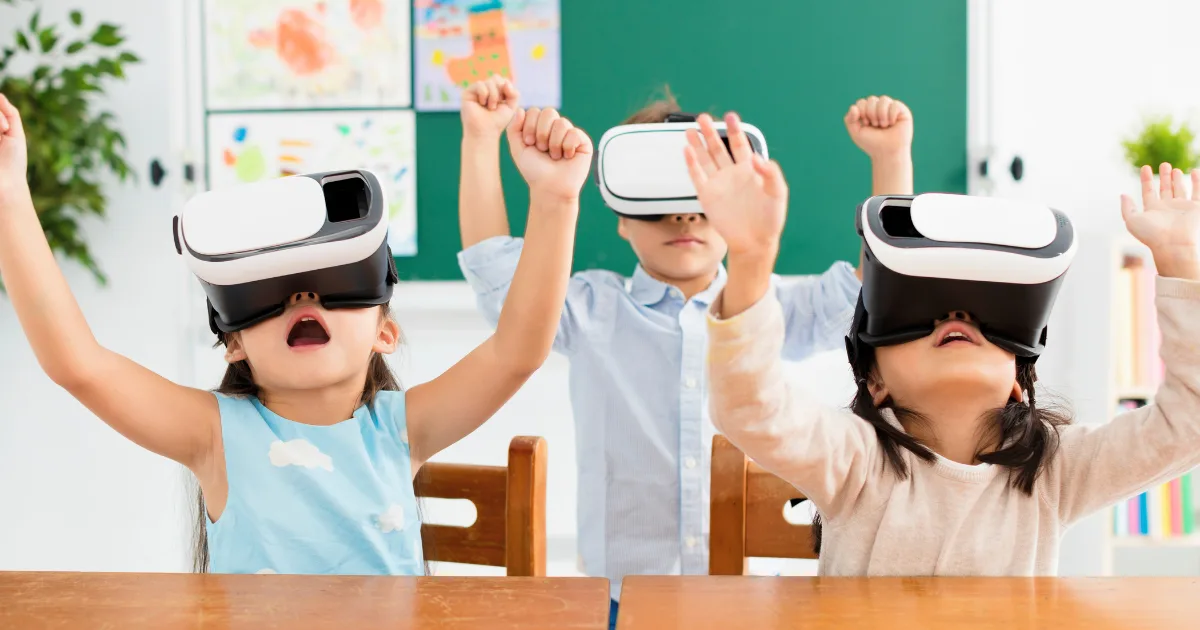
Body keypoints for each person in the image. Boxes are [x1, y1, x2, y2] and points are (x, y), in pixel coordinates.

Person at [0, 91, 593, 574]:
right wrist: (7, 192)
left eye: (336, 285)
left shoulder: (402, 429)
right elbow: (79, 364)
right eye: (267, 295)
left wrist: (555, 198)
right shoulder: (215, 435)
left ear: (385, 332)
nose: (304, 299)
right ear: (233, 343)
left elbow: (519, 351)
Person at [455, 77, 913, 604]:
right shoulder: (592, 311)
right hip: (623, 600)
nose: (684, 213)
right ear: (621, 217)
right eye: (655, 194)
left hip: (754, 601)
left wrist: (891, 158)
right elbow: (501, 280)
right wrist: (481, 141)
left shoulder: (772, 307)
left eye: (702, 195)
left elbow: (878, 286)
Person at [698, 109, 1200, 576]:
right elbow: (751, 408)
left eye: (986, 319)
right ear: (874, 381)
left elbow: (1187, 426)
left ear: (1019, 384)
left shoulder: (1052, 472)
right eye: (923, 314)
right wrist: (749, 258)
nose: (957, 316)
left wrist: (1180, 265)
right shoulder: (855, 461)